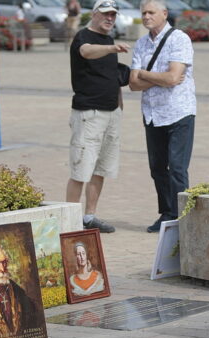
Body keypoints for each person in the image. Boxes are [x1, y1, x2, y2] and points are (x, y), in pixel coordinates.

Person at [128, 0, 196, 233]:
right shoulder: (140, 44)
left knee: (177, 168)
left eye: (151, 12)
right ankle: (167, 213)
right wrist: (160, 76)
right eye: (143, 13)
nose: (146, 16)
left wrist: (144, 73)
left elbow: (173, 77)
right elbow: (133, 85)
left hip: (179, 112)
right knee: (157, 168)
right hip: (152, 114)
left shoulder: (179, 39)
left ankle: (182, 218)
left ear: (164, 14)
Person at [66, 0, 130, 233]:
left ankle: (89, 216)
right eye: (105, 14)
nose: (109, 18)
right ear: (94, 14)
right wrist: (112, 49)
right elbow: (86, 52)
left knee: (100, 168)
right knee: (81, 168)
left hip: (111, 113)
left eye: (113, 15)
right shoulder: (84, 37)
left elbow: (113, 77)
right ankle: (70, 220)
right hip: (89, 114)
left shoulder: (109, 39)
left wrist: (119, 107)